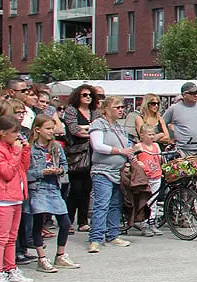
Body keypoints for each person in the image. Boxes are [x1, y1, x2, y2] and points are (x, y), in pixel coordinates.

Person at [0, 114, 36, 282]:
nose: (17, 136)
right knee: (1, 238)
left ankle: (10, 268)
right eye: (14, 133)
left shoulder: (11, 147)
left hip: (16, 196)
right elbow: (6, 172)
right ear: (2, 133)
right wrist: (16, 152)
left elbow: (23, 168)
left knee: (12, 237)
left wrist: (25, 151)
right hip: (2, 198)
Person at [87, 96, 134, 253]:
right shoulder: (98, 124)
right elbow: (98, 146)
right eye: (117, 107)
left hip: (118, 171)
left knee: (115, 204)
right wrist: (120, 151)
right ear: (106, 109)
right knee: (101, 204)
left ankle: (112, 234)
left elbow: (128, 146)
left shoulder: (120, 127)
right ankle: (95, 238)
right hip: (102, 171)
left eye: (122, 107)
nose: (121, 110)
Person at [62, 84, 97, 233]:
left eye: (90, 95)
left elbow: (99, 127)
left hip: (92, 154)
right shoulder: (71, 111)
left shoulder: (94, 111)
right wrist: (91, 132)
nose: (88, 97)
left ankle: (83, 221)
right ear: (78, 96)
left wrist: (86, 130)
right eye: (84, 95)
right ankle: (68, 221)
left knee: (87, 188)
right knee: (75, 189)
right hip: (76, 154)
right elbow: (74, 130)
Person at [131, 124, 163, 236]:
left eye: (153, 134)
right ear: (142, 135)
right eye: (149, 134)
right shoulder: (139, 146)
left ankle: (152, 222)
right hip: (145, 177)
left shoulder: (156, 146)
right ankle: (144, 223)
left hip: (156, 176)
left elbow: (159, 159)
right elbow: (131, 157)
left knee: (154, 200)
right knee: (145, 200)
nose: (151, 136)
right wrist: (136, 162)